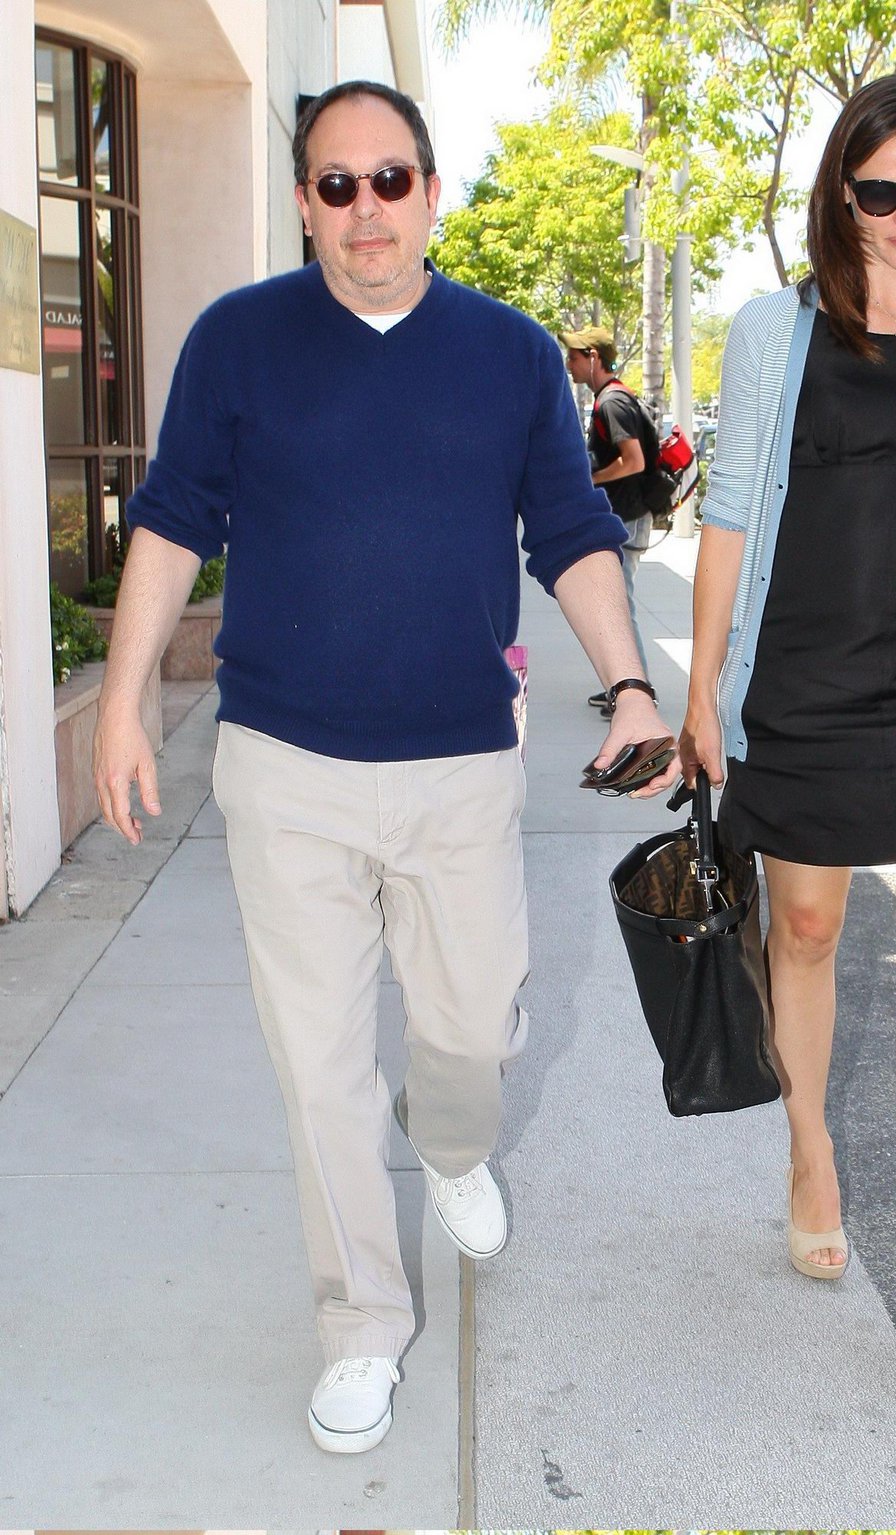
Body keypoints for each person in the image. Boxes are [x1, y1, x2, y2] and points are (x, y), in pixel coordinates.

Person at [92, 79, 678, 1454]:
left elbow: (570, 528)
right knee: (318, 1066)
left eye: (391, 180)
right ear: (303, 200)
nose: (366, 209)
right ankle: (360, 1318)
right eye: (336, 184)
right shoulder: (238, 341)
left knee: (470, 1029)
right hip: (283, 760)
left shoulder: (509, 352)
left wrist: (635, 683)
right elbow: (174, 521)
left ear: (431, 191)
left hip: (461, 762)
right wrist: (122, 699)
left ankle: (460, 1140)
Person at [679, 75, 896, 1380]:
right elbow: (727, 511)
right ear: (840, 191)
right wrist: (703, 681)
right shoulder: (776, 331)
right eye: (878, 191)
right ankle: (810, 1146)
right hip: (803, 678)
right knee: (810, 926)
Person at [561, 326, 660, 714]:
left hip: (628, 517)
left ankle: (635, 693)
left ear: (593, 358)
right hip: (627, 515)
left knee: (621, 606)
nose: (569, 364)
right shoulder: (615, 397)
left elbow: (633, 461)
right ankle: (625, 688)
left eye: (573, 356)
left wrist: (590, 479)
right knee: (619, 603)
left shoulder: (611, 404)